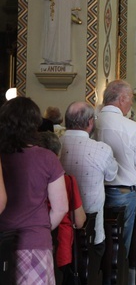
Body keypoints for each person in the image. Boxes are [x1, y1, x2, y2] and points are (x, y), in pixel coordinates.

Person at [0, 97, 68, 285]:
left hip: (2, 238)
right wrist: (41, 227)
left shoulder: (2, 155)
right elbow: (61, 207)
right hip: (34, 242)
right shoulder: (47, 157)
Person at [93, 79, 136, 276]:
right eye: (131, 99)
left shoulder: (91, 122)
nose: (131, 104)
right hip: (123, 193)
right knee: (120, 246)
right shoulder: (133, 128)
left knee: (95, 243)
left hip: (92, 190)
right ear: (122, 99)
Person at [59, 102, 118, 264]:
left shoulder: (55, 145)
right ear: (90, 122)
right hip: (90, 228)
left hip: (57, 226)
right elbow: (111, 176)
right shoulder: (101, 149)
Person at [38, 131, 86, 285]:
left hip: (33, 239)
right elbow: (79, 221)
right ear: (58, 155)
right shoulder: (67, 181)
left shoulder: (28, 179)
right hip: (61, 243)